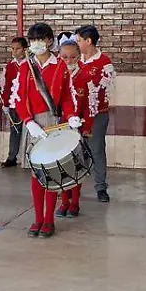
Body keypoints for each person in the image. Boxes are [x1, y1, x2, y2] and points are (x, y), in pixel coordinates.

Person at [10, 22, 82, 239]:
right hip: (33, 125)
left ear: (50, 41)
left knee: (50, 173)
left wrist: (71, 116)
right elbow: (19, 98)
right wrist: (28, 121)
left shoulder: (60, 66)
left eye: (40, 39)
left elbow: (67, 97)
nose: (35, 44)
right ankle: (37, 219)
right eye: (32, 40)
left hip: (54, 122)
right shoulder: (25, 67)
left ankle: (49, 220)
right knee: (35, 174)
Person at [76, 25, 116, 203]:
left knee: (97, 149)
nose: (77, 43)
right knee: (76, 151)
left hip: (97, 113)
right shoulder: (75, 60)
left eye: (79, 40)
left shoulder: (104, 62)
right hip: (75, 115)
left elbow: (102, 87)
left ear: (88, 41)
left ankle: (101, 187)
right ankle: (73, 186)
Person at [56, 38, 88, 217]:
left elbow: (89, 106)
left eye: (72, 57)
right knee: (60, 166)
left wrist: (86, 126)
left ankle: (75, 201)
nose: (68, 61)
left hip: (77, 129)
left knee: (76, 165)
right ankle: (64, 201)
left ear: (79, 57)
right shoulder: (56, 75)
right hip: (58, 128)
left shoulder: (84, 76)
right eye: (64, 57)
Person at [0, 37, 28, 168]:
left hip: (28, 104)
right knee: (15, 130)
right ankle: (12, 157)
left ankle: (29, 157)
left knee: (29, 131)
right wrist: (5, 103)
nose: (14, 51)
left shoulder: (31, 64)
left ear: (25, 49)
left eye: (18, 48)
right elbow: (5, 86)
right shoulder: (10, 66)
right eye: (13, 49)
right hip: (13, 104)